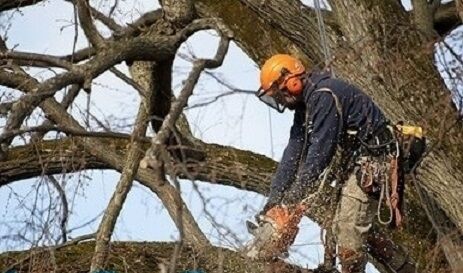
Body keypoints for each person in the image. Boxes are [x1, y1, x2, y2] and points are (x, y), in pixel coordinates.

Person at [254, 54, 396, 273]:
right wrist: (274, 200)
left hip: (375, 160)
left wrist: (293, 198)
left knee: (349, 231)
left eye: (280, 95)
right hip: (357, 164)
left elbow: (320, 153)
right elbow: (294, 153)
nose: (281, 102)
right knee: (340, 225)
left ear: (291, 81)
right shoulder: (305, 107)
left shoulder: (324, 96)